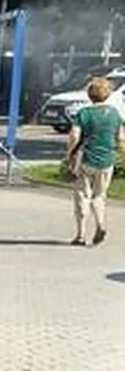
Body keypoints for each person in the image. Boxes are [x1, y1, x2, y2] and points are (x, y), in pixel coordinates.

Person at [65, 75, 122, 245]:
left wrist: (69, 155)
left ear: (90, 94)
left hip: (86, 159)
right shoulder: (114, 114)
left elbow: (74, 136)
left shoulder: (84, 113)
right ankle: (100, 224)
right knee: (99, 196)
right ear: (107, 94)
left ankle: (81, 235)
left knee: (82, 195)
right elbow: (121, 138)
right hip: (107, 160)